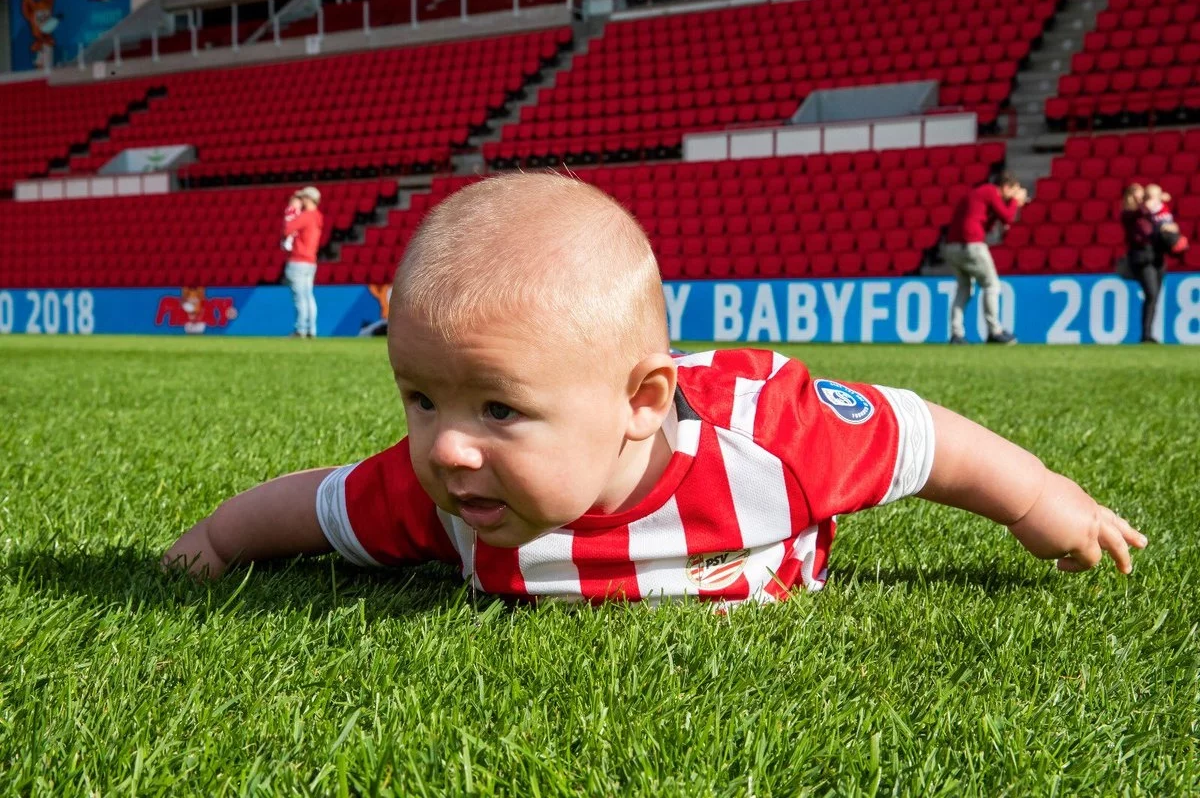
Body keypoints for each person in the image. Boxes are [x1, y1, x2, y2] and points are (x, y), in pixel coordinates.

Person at [163, 173, 1145, 605]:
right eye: (422, 399)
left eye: (498, 407)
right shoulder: (450, 495)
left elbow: (923, 437)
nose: (448, 445)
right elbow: (319, 505)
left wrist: (1037, 499)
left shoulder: (774, 436)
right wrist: (219, 535)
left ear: (642, 403)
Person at [941, 173, 1027, 345]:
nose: (1016, 194)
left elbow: (989, 223)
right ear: (1005, 187)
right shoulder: (990, 191)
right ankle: (994, 331)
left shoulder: (980, 194)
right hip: (970, 245)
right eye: (1015, 190)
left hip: (952, 247)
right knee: (991, 285)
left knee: (964, 289)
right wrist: (1015, 202)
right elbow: (1008, 216)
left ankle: (956, 334)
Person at [1120, 183, 1162, 343]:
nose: (1142, 196)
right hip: (1141, 257)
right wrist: (1156, 198)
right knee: (1151, 294)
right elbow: (1141, 211)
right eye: (1140, 194)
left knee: (1154, 296)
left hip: (1156, 256)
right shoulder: (1129, 213)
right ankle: (1146, 334)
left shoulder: (1147, 214)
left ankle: (1148, 333)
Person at [282, 186, 324, 339]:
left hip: (298, 260)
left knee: (300, 297)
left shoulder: (306, 216)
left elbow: (287, 229)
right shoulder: (318, 216)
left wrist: (292, 208)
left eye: (303, 198)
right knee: (308, 296)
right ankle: (311, 329)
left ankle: (300, 329)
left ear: (308, 199)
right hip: (311, 261)